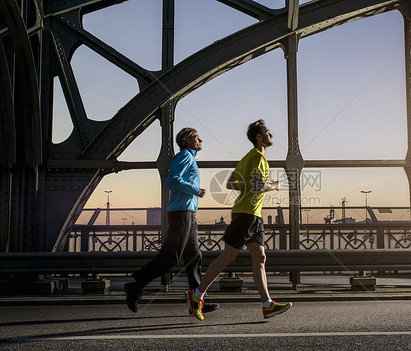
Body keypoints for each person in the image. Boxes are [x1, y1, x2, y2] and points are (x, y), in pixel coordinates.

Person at [186, 119, 292, 320]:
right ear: (259, 137)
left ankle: (267, 304)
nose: (271, 135)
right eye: (268, 132)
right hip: (246, 214)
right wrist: (275, 185)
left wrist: (249, 187)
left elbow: (230, 183)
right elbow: (259, 186)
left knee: (260, 257)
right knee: (229, 255)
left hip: (254, 215)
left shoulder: (247, 158)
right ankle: (197, 295)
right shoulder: (258, 158)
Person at [124, 128, 219, 314]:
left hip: (188, 214)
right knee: (172, 257)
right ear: (187, 140)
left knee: (194, 257)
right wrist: (196, 189)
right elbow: (171, 181)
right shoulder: (184, 156)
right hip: (180, 213)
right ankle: (135, 285)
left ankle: (196, 302)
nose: (200, 140)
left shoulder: (189, 157)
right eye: (196, 137)